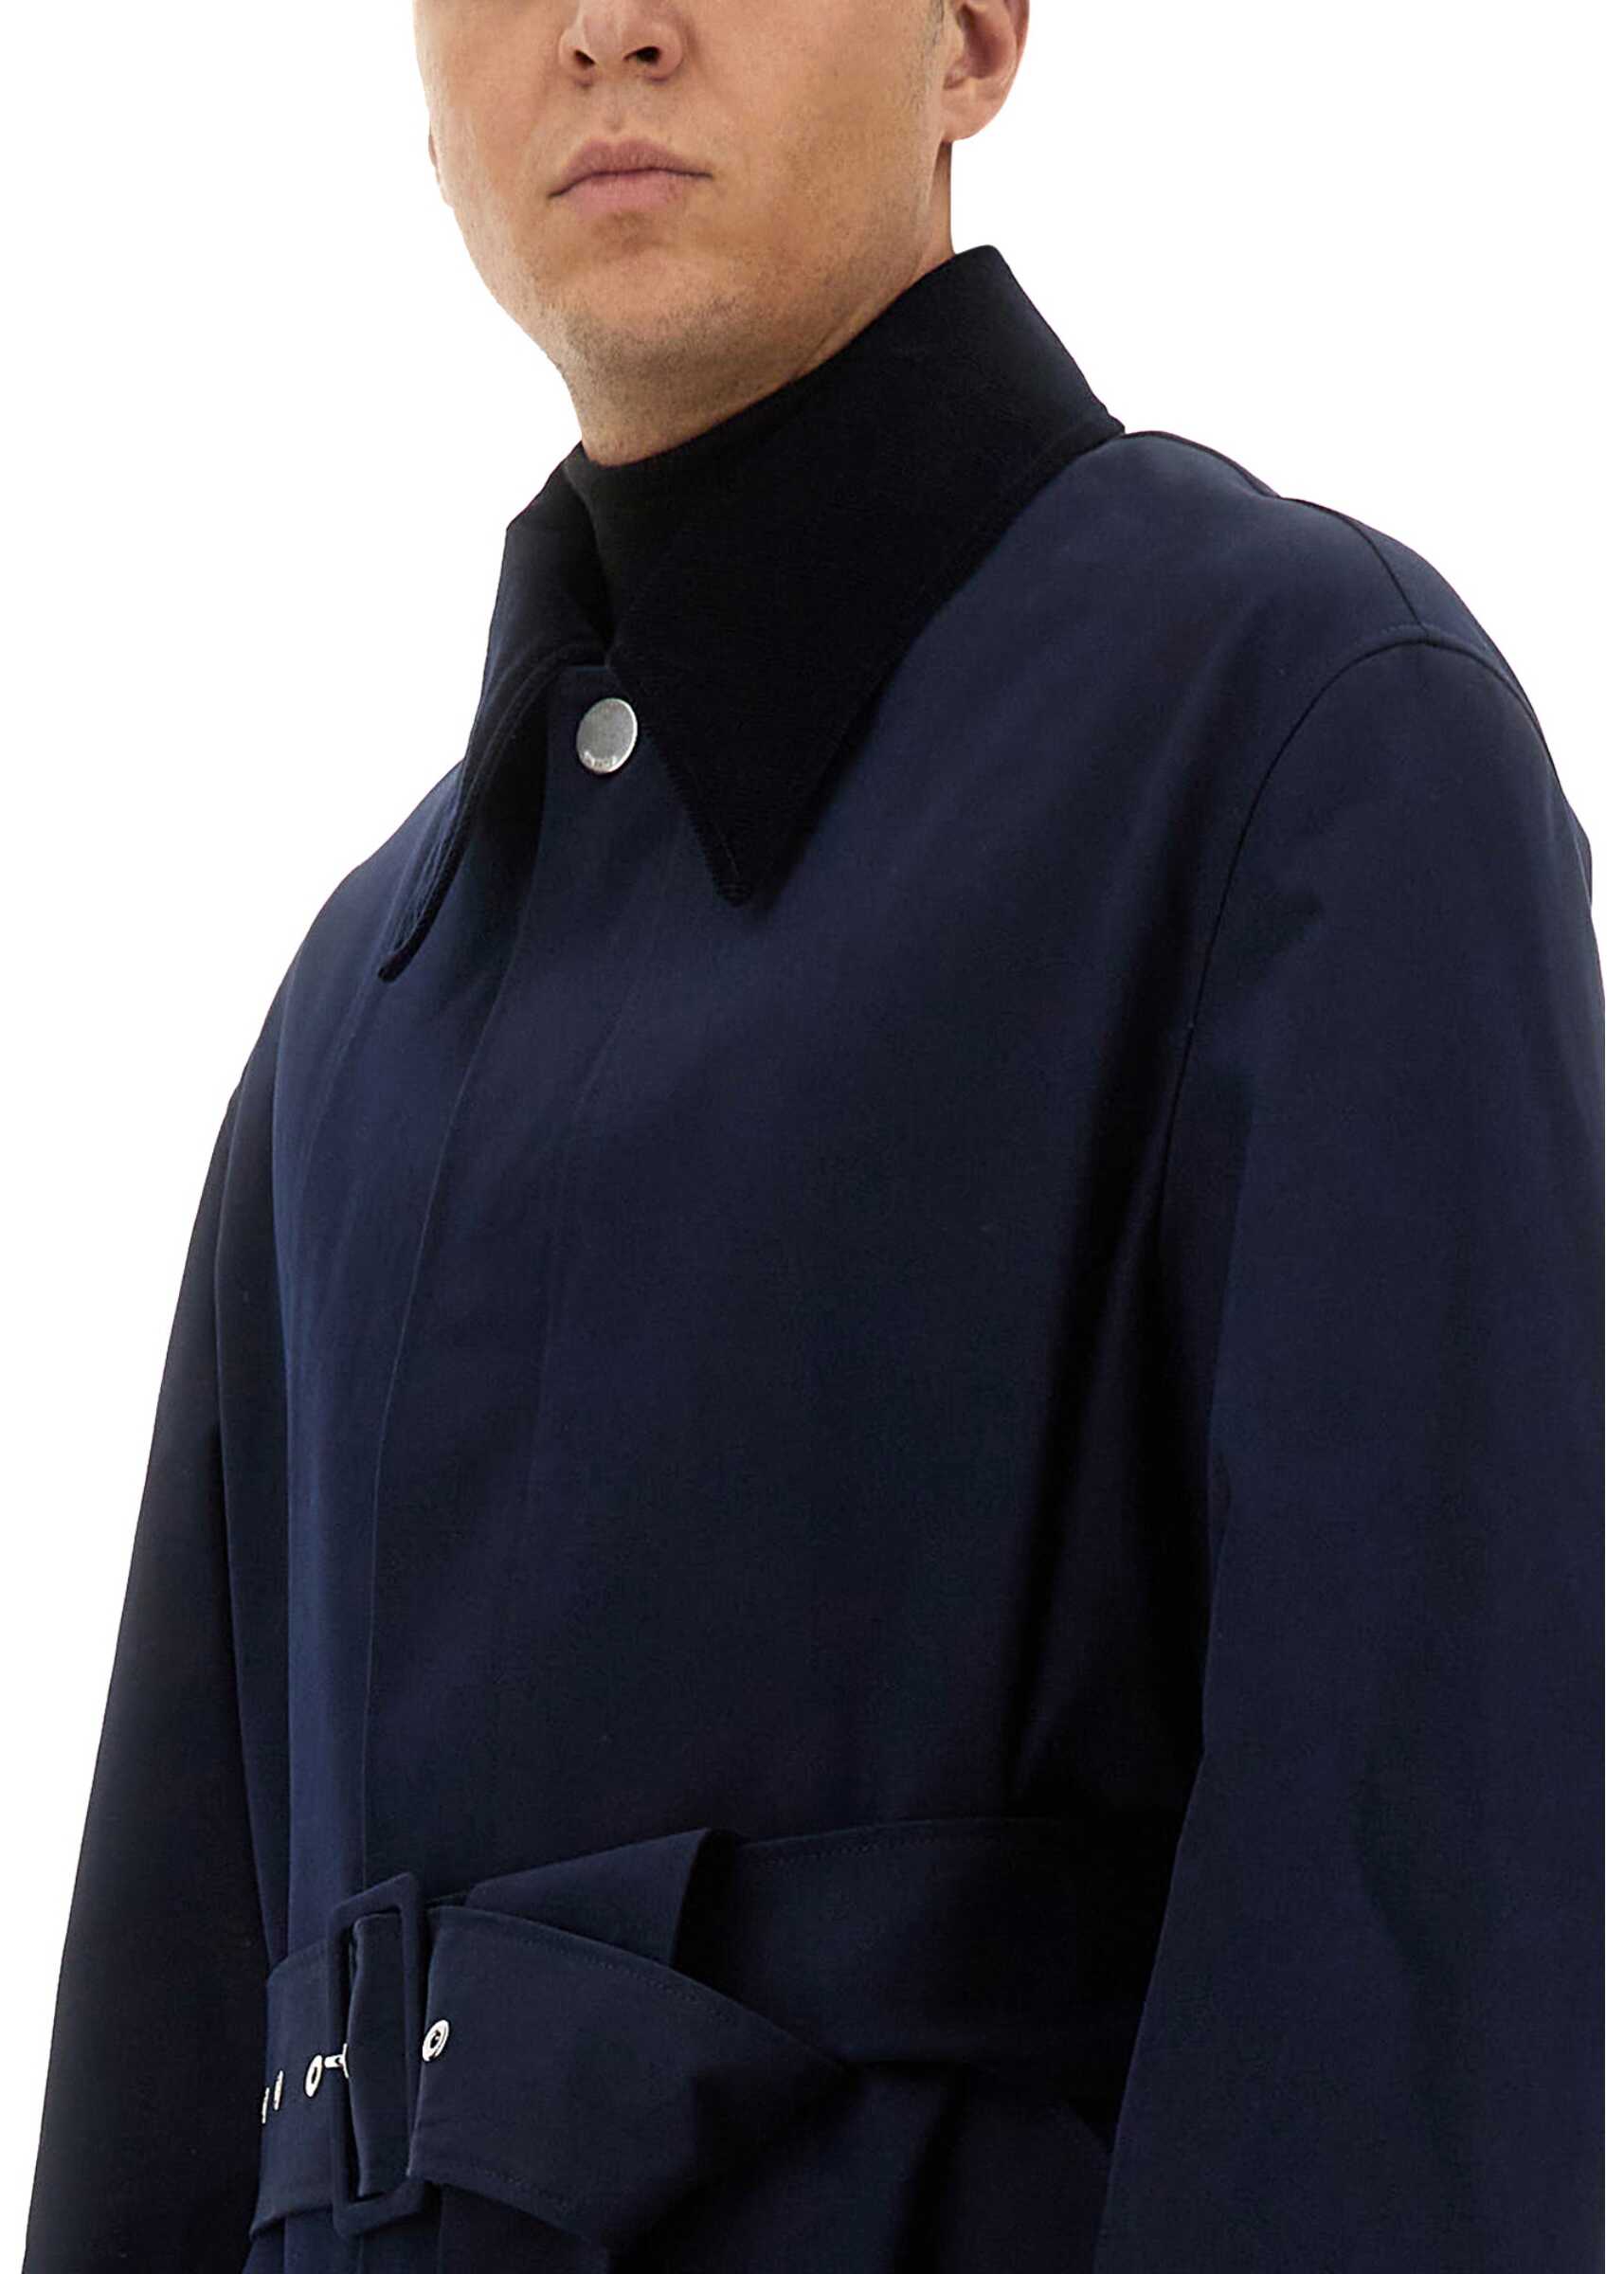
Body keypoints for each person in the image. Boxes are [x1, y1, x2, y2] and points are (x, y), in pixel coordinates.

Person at [23, 2, 1603, 2269]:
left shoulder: (1296, 742)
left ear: (972, 33)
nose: (608, 27)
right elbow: (161, 2088)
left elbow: (1391, 1969)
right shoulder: (354, 1004)